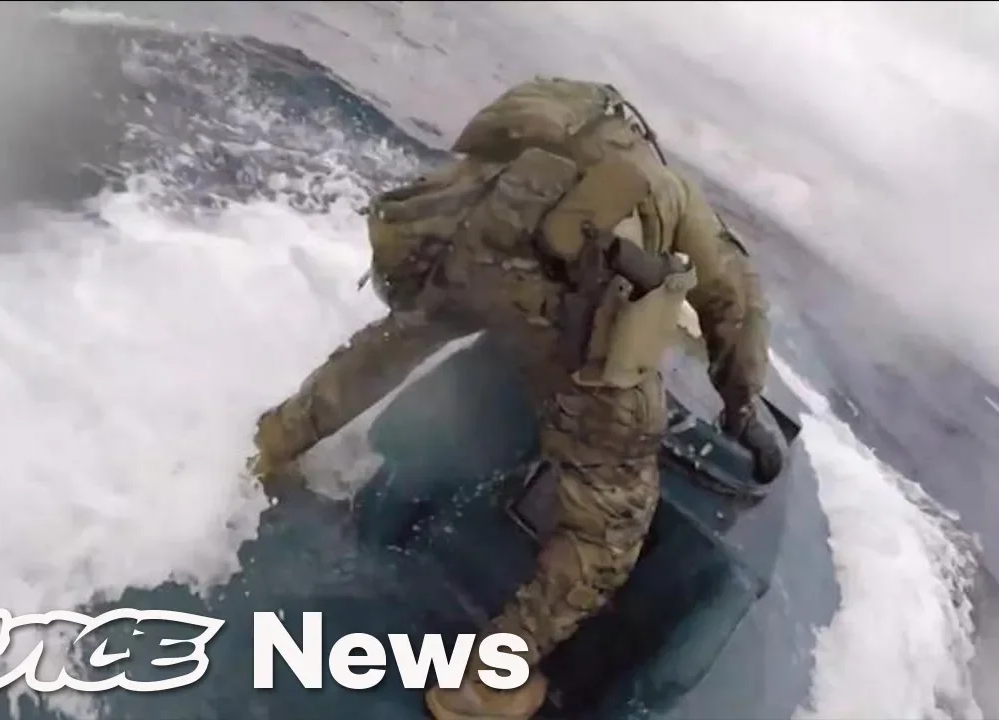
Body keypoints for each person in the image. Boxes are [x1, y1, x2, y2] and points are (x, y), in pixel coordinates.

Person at [246, 77, 783, 720]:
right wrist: (741, 404)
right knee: (610, 522)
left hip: (474, 257)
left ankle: (270, 447)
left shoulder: (544, 119)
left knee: (384, 351)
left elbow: (461, 181)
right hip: (570, 325)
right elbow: (734, 299)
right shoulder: (668, 191)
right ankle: (484, 679)